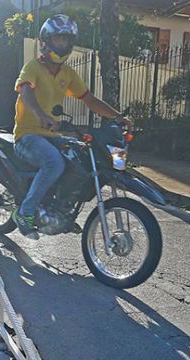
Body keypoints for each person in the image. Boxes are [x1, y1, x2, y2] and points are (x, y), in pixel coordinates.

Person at [12, 14, 133, 238]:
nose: (63, 44)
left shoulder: (67, 73)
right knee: (54, 161)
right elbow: (26, 92)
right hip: (27, 136)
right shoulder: (33, 67)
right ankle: (25, 212)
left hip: (52, 135)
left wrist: (117, 117)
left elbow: (89, 99)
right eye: (59, 39)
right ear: (46, 41)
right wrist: (40, 115)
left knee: (81, 158)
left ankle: (61, 210)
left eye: (67, 40)